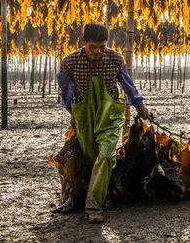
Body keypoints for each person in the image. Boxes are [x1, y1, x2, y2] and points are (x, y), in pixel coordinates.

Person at [56, 23, 150, 223]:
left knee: (106, 155)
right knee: (92, 158)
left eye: (102, 46)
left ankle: (93, 207)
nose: (98, 51)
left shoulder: (115, 59)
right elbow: (65, 89)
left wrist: (139, 105)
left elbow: (127, 84)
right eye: (93, 47)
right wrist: (72, 110)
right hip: (85, 116)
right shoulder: (70, 62)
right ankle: (95, 195)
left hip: (111, 116)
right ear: (85, 43)